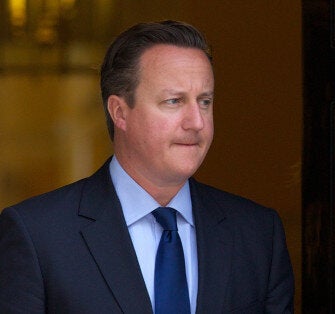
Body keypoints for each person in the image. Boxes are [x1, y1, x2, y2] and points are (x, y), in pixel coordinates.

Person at [0, 20, 294, 313]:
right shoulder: (37, 236)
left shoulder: (257, 233)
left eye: (205, 101)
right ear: (120, 112)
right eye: (174, 101)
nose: (197, 122)